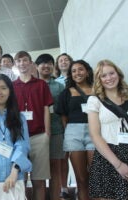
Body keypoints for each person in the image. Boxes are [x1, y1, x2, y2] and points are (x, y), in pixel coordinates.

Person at [87, 60, 128, 199]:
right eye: (103, 75)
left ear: (118, 74)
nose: (109, 78)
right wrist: (118, 165)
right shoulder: (94, 101)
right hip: (108, 157)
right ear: (99, 79)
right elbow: (95, 135)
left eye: (111, 73)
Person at [13, 51, 53, 200]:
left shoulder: (41, 84)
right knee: (19, 180)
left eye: (25, 60)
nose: (22, 63)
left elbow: (46, 108)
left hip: (39, 136)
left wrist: (47, 133)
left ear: (30, 63)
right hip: (18, 138)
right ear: (15, 64)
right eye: (19, 61)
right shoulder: (11, 86)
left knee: (39, 180)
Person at [56, 60, 94, 200]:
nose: (77, 73)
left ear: (87, 71)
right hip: (73, 133)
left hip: (95, 133)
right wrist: (69, 133)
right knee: (81, 179)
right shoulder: (66, 93)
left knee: (95, 177)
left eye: (80, 69)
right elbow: (64, 117)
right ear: (70, 75)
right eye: (74, 71)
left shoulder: (98, 90)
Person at [35, 54, 65, 200]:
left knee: (55, 167)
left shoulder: (60, 86)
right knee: (37, 170)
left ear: (53, 66)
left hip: (56, 129)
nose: (46, 66)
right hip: (35, 132)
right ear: (36, 66)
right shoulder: (32, 84)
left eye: (49, 63)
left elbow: (63, 109)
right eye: (42, 63)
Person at [54, 53, 73, 199]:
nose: (63, 62)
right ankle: (64, 187)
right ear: (57, 65)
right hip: (62, 122)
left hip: (78, 119)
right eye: (60, 60)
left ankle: (84, 185)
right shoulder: (56, 82)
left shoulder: (76, 78)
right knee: (63, 158)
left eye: (66, 59)